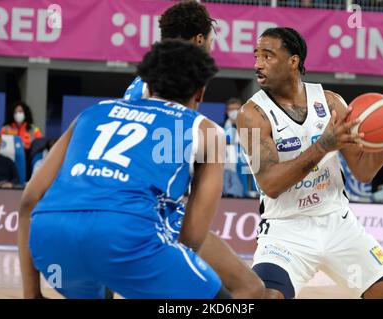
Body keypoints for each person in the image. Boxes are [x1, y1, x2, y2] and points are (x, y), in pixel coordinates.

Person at [19, 39, 260, 299]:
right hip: (125, 235)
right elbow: (192, 237)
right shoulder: (206, 130)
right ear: (200, 92)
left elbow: (29, 200)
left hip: (52, 240)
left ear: (148, 84)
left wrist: (32, 294)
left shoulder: (92, 112)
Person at [237, 27, 383, 299]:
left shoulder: (330, 103)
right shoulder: (252, 114)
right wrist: (323, 145)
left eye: (267, 56)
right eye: (256, 56)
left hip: (337, 222)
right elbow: (269, 184)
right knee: (268, 297)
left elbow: (363, 173)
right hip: (286, 230)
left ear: (293, 61)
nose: (258, 64)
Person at [121, 0, 264, 298]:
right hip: (150, 211)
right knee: (249, 288)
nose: (212, 46)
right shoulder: (179, 80)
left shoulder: (142, 80)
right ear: (200, 39)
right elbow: (167, 157)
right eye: (211, 39)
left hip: (118, 202)